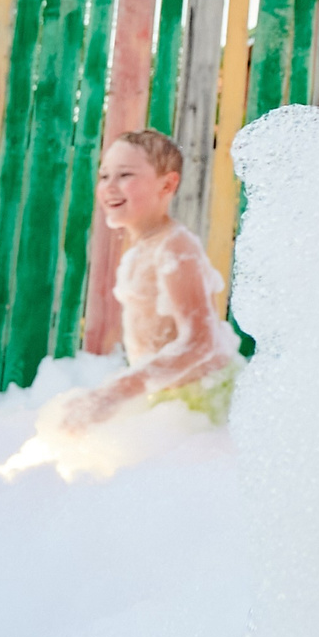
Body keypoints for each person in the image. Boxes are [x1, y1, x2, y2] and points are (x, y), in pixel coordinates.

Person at [51, 129, 242, 432]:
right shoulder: (144, 247)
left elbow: (200, 342)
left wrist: (114, 393)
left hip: (201, 396)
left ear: (167, 184)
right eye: (104, 176)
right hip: (166, 392)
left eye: (125, 175)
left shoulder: (177, 247)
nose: (110, 187)